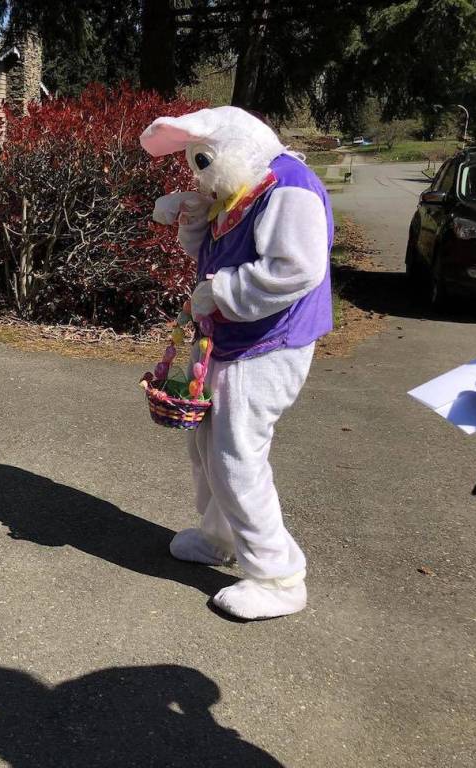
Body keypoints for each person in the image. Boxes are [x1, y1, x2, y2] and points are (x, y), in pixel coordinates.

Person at [141, 106, 333, 620]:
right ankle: (219, 535)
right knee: (206, 446)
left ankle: (278, 575)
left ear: (233, 145)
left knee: (235, 456)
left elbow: (296, 269)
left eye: (203, 162)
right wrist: (196, 223)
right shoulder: (238, 185)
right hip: (231, 340)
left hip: (269, 344)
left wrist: (221, 293)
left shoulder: (288, 186)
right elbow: (208, 256)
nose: (198, 176)